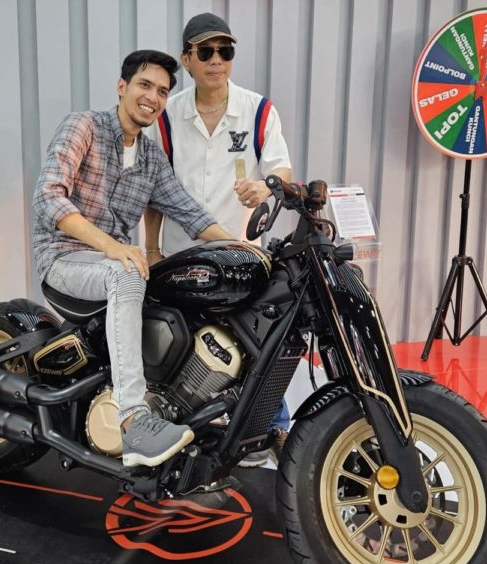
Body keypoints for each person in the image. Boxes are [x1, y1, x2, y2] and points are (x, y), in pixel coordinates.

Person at [32, 50, 232, 469]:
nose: (152, 97)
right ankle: (132, 421)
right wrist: (110, 245)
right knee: (127, 272)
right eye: (144, 85)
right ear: (122, 87)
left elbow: (190, 213)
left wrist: (244, 249)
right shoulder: (84, 126)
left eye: (162, 91)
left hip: (109, 266)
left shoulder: (151, 157)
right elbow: (48, 197)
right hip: (63, 258)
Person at [143, 13, 292, 467]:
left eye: (224, 51)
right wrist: (151, 250)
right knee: (181, 346)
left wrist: (266, 187)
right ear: (186, 59)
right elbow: (153, 189)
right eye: (205, 52)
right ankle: (176, 426)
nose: (216, 60)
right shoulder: (167, 115)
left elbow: (282, 171)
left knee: (259, 345)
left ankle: (272, 427)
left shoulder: (259, 110)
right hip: (181, 257)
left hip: (241, 255)